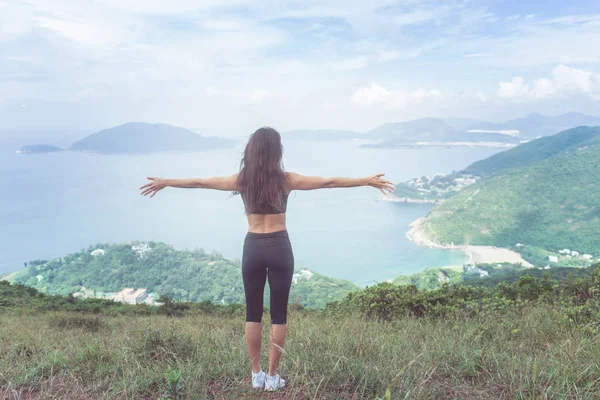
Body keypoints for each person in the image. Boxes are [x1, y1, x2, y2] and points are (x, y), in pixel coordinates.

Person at [139, 127, 395, 391]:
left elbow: (200, 182)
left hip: (253, 248)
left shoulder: (241, 180)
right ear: (277, 152)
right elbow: (328, 182)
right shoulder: (286, 180)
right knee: (278, 315)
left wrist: (167, 181)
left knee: (253, 314)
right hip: (280, 247)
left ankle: (256, 374)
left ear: (250, 151)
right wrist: (366, 180)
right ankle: (273, 376)